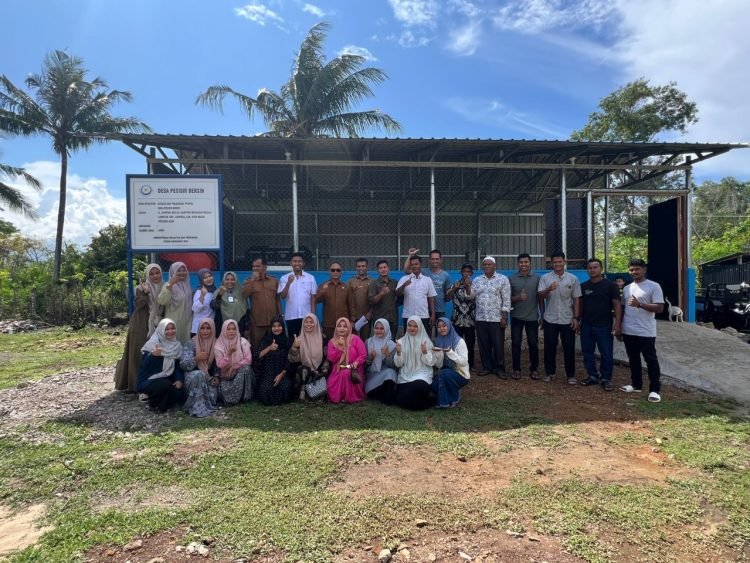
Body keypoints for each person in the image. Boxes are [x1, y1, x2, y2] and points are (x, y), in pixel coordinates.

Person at [618, 259, 664, 403]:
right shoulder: (627, 288)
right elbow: (623, 308)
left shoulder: (653, 286)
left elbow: (660, 308)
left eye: (637, 269)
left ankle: (655, 390)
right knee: (633, 359)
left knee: (650, 360)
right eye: (631, 270)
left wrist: (640, 305)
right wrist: (618, 326)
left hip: (646, 330)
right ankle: (636, 385)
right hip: (629, 329)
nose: (634, 272)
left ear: (644, 270)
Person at [115, 263, 163, 392]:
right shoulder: (141, 288)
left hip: (157, 324)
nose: (155, 276)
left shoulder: (164, 287)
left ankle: (150, 383)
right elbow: (138, 305)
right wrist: (146, 293)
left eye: (157, 273)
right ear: (147, 275)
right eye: (151, 274)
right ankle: (135, 384)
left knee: (154, 354)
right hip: (141, 324)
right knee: (139, 353)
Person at [538, 252, 582, 385]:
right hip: (550, 318)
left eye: (559, 261)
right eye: (555, 262)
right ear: (551, 263)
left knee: (569, 347)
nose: (557, 264)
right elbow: (540, 297)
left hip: (567, 318)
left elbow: (576, 299)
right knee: (549, 347)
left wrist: (576, 317)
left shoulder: (573, 279)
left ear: (564, 262)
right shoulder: (545, 278)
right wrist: (548, 290)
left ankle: (570, 375)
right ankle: (549, 373)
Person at [578, 259, 622, 391]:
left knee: (606, 353)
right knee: (587, 352)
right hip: (586, 325)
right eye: (589, 268)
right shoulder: (584, 286)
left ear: (601, 269)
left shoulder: (610, 286)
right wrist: (578, 320)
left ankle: (606, 378)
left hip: (604, 325)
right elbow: (580, 305)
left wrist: (618, 323)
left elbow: (617, 305)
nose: (592, 270)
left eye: (595, 267)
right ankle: (592, 375)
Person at [473, 256, 511, 378]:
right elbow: (470, 296)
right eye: (485, 264)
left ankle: (499, 368)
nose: (487, 266)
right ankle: (487, 367)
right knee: (483, 344)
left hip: (496, 318)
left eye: (490, 264)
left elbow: (506, 299)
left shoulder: (502, 279)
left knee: (498, 345)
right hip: (481, 317)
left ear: (495, 266)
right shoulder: (477, 280)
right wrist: (467, 286)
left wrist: (504, 317)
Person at [136, 318, 185, 412]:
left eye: (172, 328)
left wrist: (179, 380)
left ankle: (157, 401)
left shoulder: (177, 346)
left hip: (168, 378)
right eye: (167, 329)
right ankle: (157, 405)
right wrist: (153, 355)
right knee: (165, 385)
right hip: (148, 380)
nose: (170, 331)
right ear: (161, 330)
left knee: (179, 392)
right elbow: (144, 366)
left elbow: (178, 365)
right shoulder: (153, 344)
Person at [393, 316, 436, 410]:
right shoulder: (401, 342)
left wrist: (424, 352)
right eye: (409, 325)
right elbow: (398, 364)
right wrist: (399, 352)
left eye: (415, 326)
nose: (412, 328)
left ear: (420, 327)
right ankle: (422, 402)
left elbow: (431, 363)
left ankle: (419, 402)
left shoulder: (426, 342)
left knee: (419, 387)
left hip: (421, 375)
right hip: (406, 376)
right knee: (400, 398)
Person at [509, 253, 541, 380]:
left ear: (530, 263)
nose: (523, 264)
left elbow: (540, 298)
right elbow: (507, 299)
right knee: (516, 343)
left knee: (533, 344)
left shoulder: (537, 279)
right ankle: (516, 369)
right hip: (516, 317)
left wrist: (542, 315)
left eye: (526, 262)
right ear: (518, 264)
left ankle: (534, 369)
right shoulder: (511, 279)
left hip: (532, 317)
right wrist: (517, 298)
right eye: (521, 262)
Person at [404, 248, 451, 333]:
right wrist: (410, 255)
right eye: (433, 259)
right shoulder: (423, 272)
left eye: (437, 259)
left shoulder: (445, 275)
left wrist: (453, 290)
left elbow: (448, 294)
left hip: (440, 310)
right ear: (429, 260)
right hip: (426, 310)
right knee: (426, 335)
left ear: (441, 260)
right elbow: (406, 270)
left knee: (441, 334)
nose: (435, 261)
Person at [180, 318, 219, 417]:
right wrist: (196, 358)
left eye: (208, 328)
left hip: (208, 378)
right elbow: (184, 365)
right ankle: (197, 407)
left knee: (214, 397)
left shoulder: (217, 344)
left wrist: (217, 377)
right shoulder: (191, 343)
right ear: (198, 329)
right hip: (192, 378)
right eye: (202, 328)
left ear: (213, 329)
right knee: (198, 374)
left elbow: (218, 365)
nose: (205, 331)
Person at [242, 257, 281, 353]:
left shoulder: (274, 281)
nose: (255, 268)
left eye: (258, 266)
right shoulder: (248, 281)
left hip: (273, 323)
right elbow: (243, 295)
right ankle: (257, 367)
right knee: (257, 348)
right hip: (257, 322)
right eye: (253, 266)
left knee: (275, 346)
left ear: (265, 267)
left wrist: (280, 316)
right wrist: (252, 280)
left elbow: (277, 299)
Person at [288, 313, 330, 400]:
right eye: (306, 322)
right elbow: (292, 360)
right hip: (304, 371)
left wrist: (324, 368)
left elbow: (327, 358)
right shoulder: (298, 339)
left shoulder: (323, 338)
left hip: (319, 369)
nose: (308, 324)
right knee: (303, 370)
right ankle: (303, 392)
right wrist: (295, 347)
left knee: (323, 373)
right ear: (303, 324)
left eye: (311, 322)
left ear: (316, 323)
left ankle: (317, 393)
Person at [213, 319, 255, 405]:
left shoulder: (242, 342)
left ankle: (245, 397)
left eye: (233, 329)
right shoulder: (218, 344)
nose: (231, 331)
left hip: (239, 373)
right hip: (226, 376)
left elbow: (248, 359)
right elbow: (220, 364)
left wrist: (233, 367)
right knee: (224, 390)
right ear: (224, 330)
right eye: (228, 329)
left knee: (246, 369)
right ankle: (235, 398)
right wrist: (229, 353)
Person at [326, 317, 367, 404]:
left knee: (346, 373)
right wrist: (339, 348)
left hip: (354, 368)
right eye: (339, 326)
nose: (342, 328)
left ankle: (348, 397)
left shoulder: (355, 339)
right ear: (336, 328)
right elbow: (331, 358)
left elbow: (363, 354)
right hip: (338, 368)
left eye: (345, 326)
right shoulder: (332, 342)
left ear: (349, 328)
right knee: (333, 381)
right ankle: (341, 396)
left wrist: (356, 362)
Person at [432, 317, 470, 408]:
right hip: (444, 371)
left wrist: (450, 352)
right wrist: (438, 354)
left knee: (444, 374)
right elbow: (439, 365)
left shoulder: (459, 341)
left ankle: (450, 399)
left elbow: (464, 362)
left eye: (444, 326)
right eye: (439, 327)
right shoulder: (438, 340)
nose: (442, 329)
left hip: (460, 373)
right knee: (433, 386)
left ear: (449, 326)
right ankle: (450, 393)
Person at [256, 318, 295, 405]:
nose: (276, 328)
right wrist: (269, 348)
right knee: (265, 389)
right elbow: (257, 356)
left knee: (286, 388)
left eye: (279, 326)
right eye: (274, 326)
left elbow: (291, 360)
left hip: (283, 373)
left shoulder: (287, 341)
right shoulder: (266, 341)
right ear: (271, 328)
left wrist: (282, 374)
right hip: (268, 373)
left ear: (283, 327)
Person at [278, 252, 318, 337]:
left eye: (299, 261)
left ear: (303, 263)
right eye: (294, 261)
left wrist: (313, 316)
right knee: (293, 342)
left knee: (307, 341)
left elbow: (313, 298)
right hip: (291, 316)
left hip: (307, 317)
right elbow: (282, 296)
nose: (297, 263)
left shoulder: (310, 278)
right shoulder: (284, 278)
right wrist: (288, 283)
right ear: (291, 263)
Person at [446, 263, 476, 370]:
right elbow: (448, 298)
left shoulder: (475, 285)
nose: (466, 274)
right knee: (456, 342)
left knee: (470, 342)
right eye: (464, 271)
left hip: (469, 319)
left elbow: (471, 298)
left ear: (472, 273)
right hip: (457, 319)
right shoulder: (455, 284)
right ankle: (456, 363)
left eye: (469, 272)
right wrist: (454, 289)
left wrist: (467, 286)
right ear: (461, 272)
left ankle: (470, 364)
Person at [396, 254, 436, 333]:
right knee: (409, 341)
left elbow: (431, 298)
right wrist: (404, 285)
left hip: (423, 315)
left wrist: (433, 314)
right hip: (408, 316)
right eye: (412, 265)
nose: (414, 266)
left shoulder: (427, 280)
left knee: (424, 341)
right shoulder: (404, 279)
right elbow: (397, 293)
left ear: (421, 264)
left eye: (416, 264)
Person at [157, 261, 193, 343]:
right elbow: (162, 301)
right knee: (173, 341)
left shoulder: (187, 285)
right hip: (173, 320)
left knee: (185, 343)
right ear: (173, 272)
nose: (182, 273)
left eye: (184, 270)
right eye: (178, 271)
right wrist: (170, 285)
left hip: (186, 321)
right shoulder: (168, 284)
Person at [364, 318, 398, 403]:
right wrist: (370, 358)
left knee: (390, 372)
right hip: (372, 376)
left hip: (386, 378)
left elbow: (395, 366)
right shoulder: (368, 342)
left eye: (382, 328)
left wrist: (388, 355)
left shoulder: (392, 345)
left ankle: (387, 397)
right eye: (376, 328)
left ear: (386, 329)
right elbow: (363, 366)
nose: (378, 331)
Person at [316, 261, 352, 339]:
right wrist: (323, 291)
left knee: (343, 346)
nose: (335, 272)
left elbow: (351, 305)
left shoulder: (346, 287)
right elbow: (316, 300)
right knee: (328, 347)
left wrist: (352, 321)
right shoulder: (323, 285)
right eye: (333, 270)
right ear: (329, 272)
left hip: (343, 325)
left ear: (341, 272)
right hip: (328, 324)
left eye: (338, 270)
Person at [368, 259, 399, 337]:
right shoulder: (374, 284)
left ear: (389, 269)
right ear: (378, 271)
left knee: (392, 341)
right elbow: (372, 301)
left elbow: (399, 298)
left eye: (385, 267)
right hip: (380, 319)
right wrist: (382, 293)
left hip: (393, 318)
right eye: (380, 268)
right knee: (379, 341)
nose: (383, 269)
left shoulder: (394, 282)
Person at [212, 271, 247, 337]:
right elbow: (214, 307)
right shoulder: (218, 291)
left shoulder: (241, 292)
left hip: (239, 326)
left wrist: (246, 328)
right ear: (223, 280)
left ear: (236, 280)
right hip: (222, 325)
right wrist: (220, 295)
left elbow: (245, 310)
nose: (230, 282)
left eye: (232, 279)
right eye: (227, 279)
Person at [347, 257, 373, 341]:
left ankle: (364, 355)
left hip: (366, 317)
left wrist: (370, 313)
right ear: (356, 267)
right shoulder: (351, 281)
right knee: (353, 340)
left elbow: (375, 300)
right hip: (353, 317)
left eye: (363, 266)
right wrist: (350, 316)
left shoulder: (372, 282)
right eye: (359, 266)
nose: (361, 268)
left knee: (365, 340)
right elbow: (347, 299)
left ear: (367, 267)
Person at [191, 268, 216, 337]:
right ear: (201, 280)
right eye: (205, 277)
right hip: (199, 328)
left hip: (210, 327)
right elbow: (195, 309)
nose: (209, 279)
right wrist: (202, 296)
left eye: (210, 276)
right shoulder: (199, 291)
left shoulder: (214, 290)